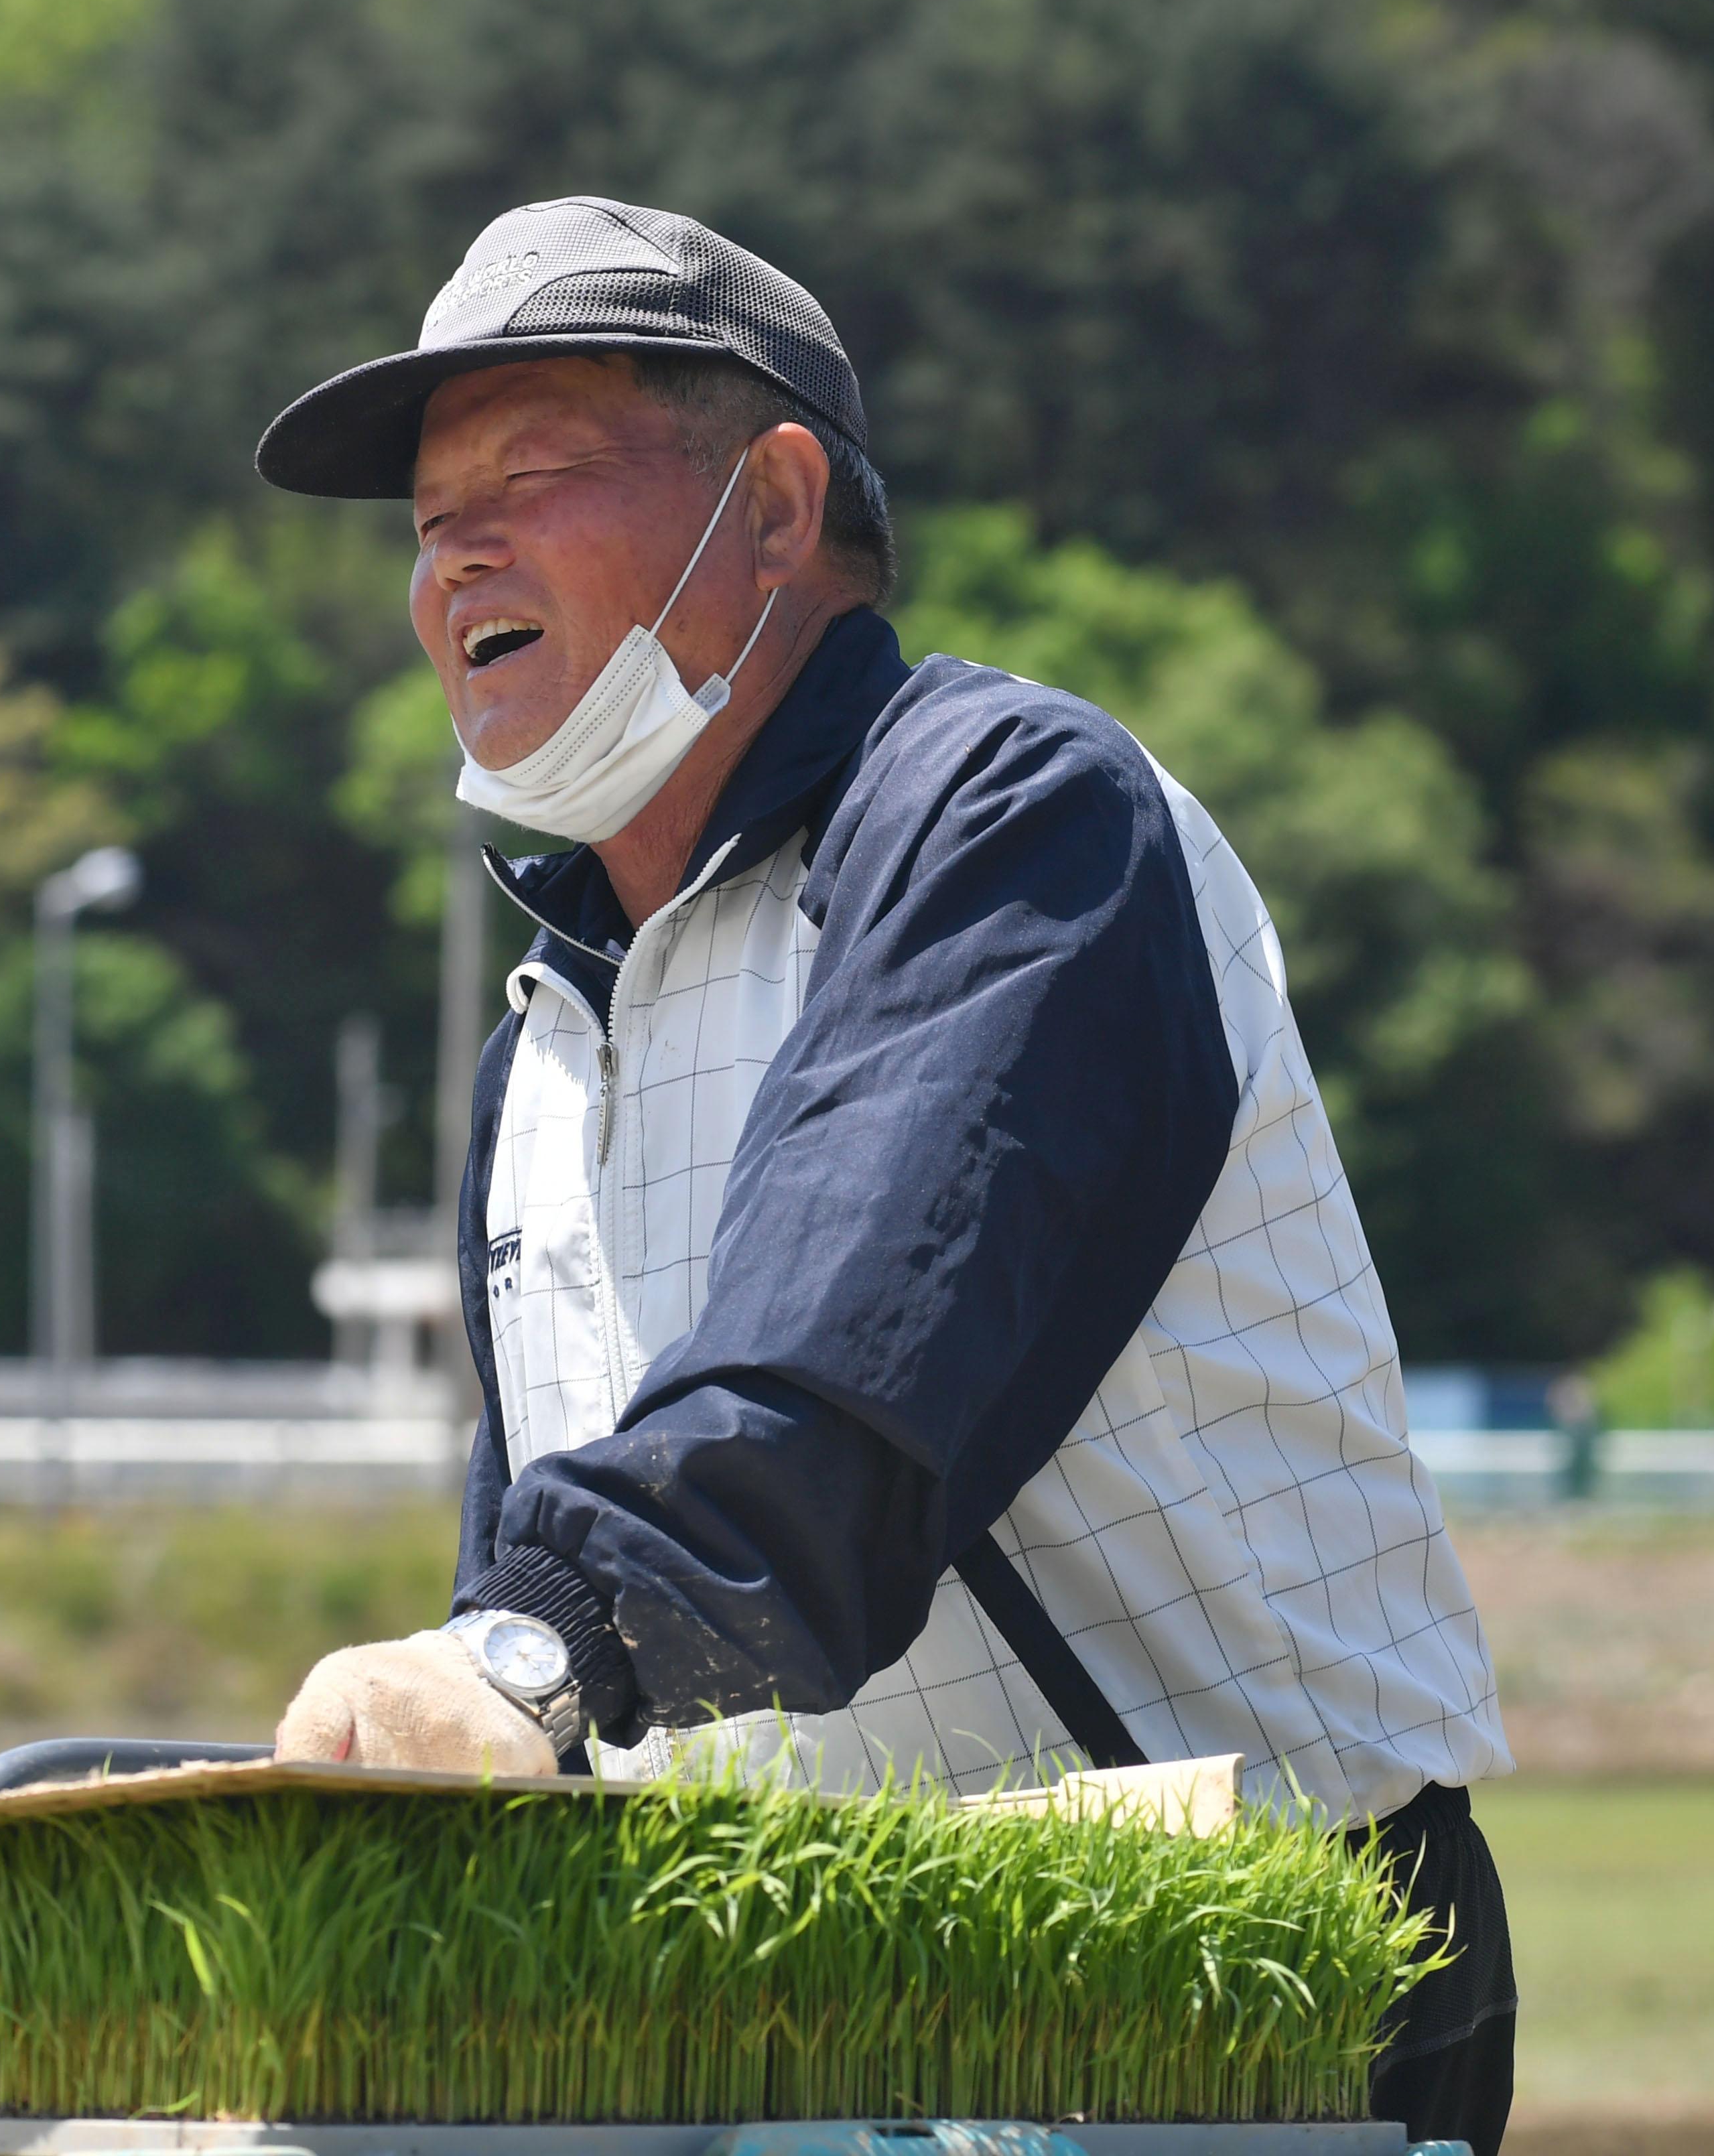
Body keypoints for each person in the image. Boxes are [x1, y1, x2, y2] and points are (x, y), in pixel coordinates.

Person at [257, 198, 1520, 2153]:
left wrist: (520, 1650)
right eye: (429, 523)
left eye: (531, 477)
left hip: (1243, 1963)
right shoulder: (544, 1030)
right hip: (817, 2000)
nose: (455, 563)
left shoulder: (1007, 824)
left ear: (771, 511)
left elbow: (842, 1381)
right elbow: (547, 1610)